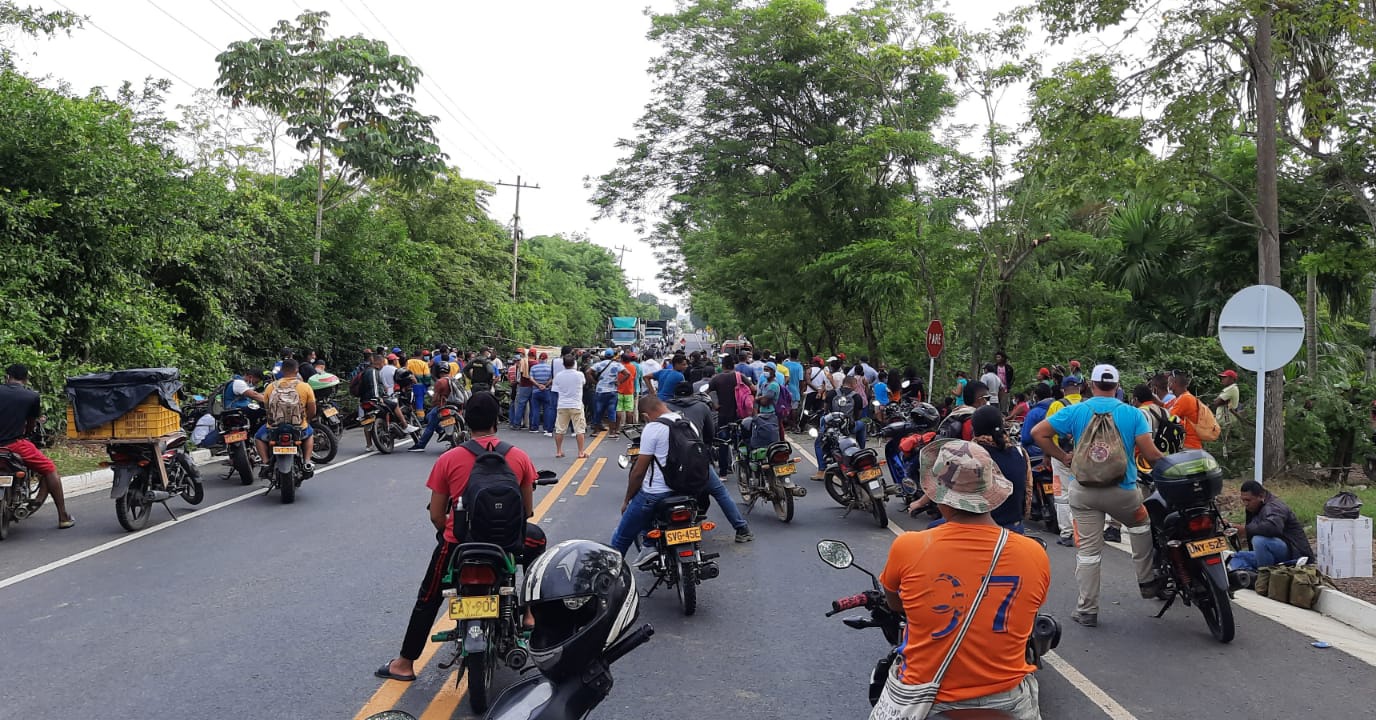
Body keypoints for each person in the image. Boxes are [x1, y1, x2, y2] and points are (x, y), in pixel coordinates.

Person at [374, 392, 547, 683]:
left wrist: (449, 534)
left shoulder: (449, 458)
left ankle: (404, 663)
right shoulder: (518, 456)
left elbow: (436, 514)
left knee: (428, 597)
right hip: (505, 545)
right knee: (538, 542)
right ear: (496, 421)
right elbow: (527, 510)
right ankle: (529, 613)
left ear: (465, 419)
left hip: (460, 544)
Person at [876, 440, 1049, 720]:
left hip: (927, 697)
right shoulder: (1033, 553)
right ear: (991, 492)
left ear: (940, 494)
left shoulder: (908, 546)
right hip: (1007, 701)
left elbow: (895, 603)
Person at [1031, 364, 1166, 628]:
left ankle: (1087, 609)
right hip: (1123, 492)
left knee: (1089, 553)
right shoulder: (1133, 414)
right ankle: (1147, 580)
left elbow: (1039, 433)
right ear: (1117, 387)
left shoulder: (1075, 410)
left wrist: (1063, 457)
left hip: (1084, 493)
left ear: (1090, 385)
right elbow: (1151, 456)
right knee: (1141, 525)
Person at [666, 383, 752, 542]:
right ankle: (741, 529)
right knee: (720, 493)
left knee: (652, 495)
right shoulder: (702, 407)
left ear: (674, 395)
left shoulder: (665, 407)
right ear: (692, 394)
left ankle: (648, 539)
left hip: (671, 463)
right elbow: (710, 434)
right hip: (697, 460)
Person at [0, 364, 74, 528]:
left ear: (7, 377)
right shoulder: (31, 396)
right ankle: (63, 517)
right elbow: (31, 425)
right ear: (25, 379)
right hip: (14, 445)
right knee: (50, 469)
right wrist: (27, 433)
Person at [610, 396, 680, 564]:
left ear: (646, 415)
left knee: (621, 535)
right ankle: (649, 543)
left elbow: (638, 472)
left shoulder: (653, 428)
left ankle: (608, 575)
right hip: (686, 490)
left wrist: (627, 500)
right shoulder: (686, 423)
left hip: (656, 493)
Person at [1229, 481, 1314, 572]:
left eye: (1248, 500)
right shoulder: (1255, 506)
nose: (1245, 504)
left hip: (1294, 553)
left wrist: (1246, 530)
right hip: (1273, 551)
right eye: (1243, 500)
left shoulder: (1274, 506)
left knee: (1259, 541)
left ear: (1261, 496)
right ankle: (1250, 577)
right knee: (1236, 556)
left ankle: (1264, 575)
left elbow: (1273, 527)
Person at [254, 359, 317, 477]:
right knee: (310, 433)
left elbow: (267, 409)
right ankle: (307, 461)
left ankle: (266, 462)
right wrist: (306, 420)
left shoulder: (270, 387)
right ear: (297, 370)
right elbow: (312, 410)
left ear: (282, 370)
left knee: (258, 437)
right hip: (298, 427)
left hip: (274, 428)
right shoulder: (305, 387)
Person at [1043, 375, 1083, 546]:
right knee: (1083, 495)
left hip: (1061, 457)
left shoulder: (1057, 405)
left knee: (1061, 495)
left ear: (1062, 389)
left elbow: (1046, 433)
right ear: (1080, 388)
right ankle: (1083, 533)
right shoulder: (1088, 405)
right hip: (1086, 457)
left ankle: (1066, 533)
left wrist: (1048, 454)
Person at [708, 356, 745, 477]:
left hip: (723, 415)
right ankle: (746, 469)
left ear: (722, 366)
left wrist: (715, 405)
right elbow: (754, 389)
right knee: (742, 441)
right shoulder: (739, 376)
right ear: (733, 365)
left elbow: (704, 393)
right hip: (739, 415)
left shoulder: (716, 378)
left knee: (723, 443)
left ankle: (723, 471)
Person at [407, 372, 461, 453]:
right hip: (454, 405)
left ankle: (420, 445)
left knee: (430, 425)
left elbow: (436, 397)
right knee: (429, 416)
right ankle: (441, 431)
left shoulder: (440, 382)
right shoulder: (452, 379)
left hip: (441, 406)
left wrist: (433, 404)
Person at [551, 355, 588, 459]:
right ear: (574, 363)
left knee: (560, 429)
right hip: (576, 404)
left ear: (563, 364)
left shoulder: (558, 375)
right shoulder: (579, 375)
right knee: (579, 429)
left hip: (562, 404)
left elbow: (555, 390)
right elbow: (583, 384)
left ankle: (558, 451)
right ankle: (581, 452)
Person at [589, 351, 623, 436]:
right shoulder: (617, 365)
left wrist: (594, 382)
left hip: (600, 391)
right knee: (612, 411)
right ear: (613, 356)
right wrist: (619, 382)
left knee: (598, 411)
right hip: (612, 390)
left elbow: (588, 372)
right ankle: (612, 432)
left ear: (604, 356)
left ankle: (596, 431)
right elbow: (627, 374)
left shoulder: (599, 364)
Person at [1166, 371, 1204, 450]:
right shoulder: (1180, 398)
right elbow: (1163, 407)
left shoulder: (1185, 399)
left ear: (1174, 383)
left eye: (1169, 382)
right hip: (1189, 444)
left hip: (1189, 445)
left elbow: (1169, 418)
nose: (1168, 385)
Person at [530, 351, 555, 437]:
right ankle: (546, 428)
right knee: (547, 409)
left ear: (539, 358)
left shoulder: (534, 367)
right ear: (546, 359)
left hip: (535, 391)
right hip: (546, 390)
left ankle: (535, 428)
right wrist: (545, 385)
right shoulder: (550, 368)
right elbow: (552, 378)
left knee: (535, 409)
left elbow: (531, 378)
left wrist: (538, 385)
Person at [615, 351, 639, 431]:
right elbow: (634, 378)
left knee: (619, 409)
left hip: (619, 390)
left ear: (622, 359)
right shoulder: (633, 367)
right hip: (629, 391)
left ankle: (618, 428)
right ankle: (629, 427)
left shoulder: (619, 367)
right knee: (629, 410)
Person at [1214, 369, 1242, 433]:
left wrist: (1219, 400)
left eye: (1224, 377)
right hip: (1223, 424)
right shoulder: (1229, 389)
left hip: (1227, 425)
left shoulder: (1232, 389)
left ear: (1232, 379)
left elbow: (1216, 402)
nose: (1222, 379)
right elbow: (1217, 401)